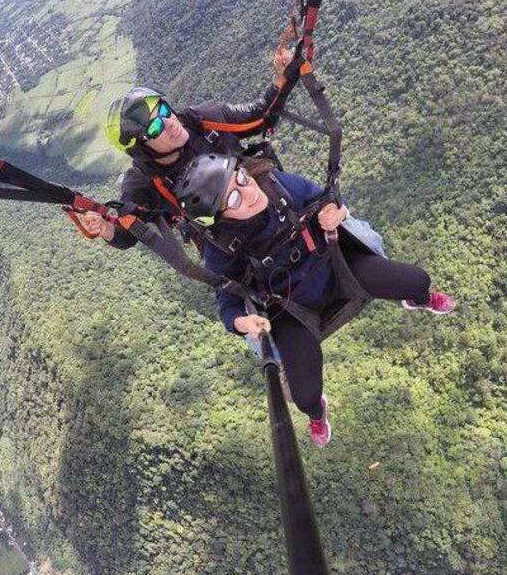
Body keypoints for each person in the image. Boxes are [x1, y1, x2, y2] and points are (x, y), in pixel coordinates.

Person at [173, 153, 456, 447]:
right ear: (221, 220)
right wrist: (241, 322)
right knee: (305, 397)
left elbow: (325, 198)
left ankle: (417, 299)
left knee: (417, 280)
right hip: (291, 309)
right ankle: (318, 413)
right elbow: (226, 298)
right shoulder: (222, 249)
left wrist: (336, 212)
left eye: (241, 178)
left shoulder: (276, 187)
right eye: (233, 200)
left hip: (335, 267)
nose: (247, 193)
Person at [79, 48, 297, 244]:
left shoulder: (206, 118)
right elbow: (128, 229)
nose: (169, 123)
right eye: (154, 128)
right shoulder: (143, 182)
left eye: (164, 111)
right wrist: (106, 228)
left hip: (258, 192)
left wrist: (283, 78)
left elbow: (260, 115)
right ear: (142, 150)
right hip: (228, 239)